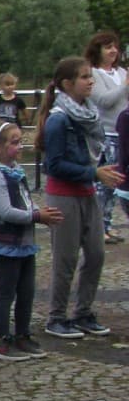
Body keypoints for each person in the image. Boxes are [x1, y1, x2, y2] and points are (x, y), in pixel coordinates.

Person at [39, 56, 125, 339]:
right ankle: (57, 316)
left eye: (91, 76)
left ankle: (83, 312)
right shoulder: (59, 119)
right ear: (67, 84)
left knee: (96, 254)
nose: (90, 81)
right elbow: (54, 165)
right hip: (64, 195)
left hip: (87, 191)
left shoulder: (90, 113)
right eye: (85, 77)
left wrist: (97, 173)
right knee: (65, 259)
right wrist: (94, 173)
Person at [0, 121, 61, 360]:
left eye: (20, 141)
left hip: (24, 242)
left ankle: (23, 334)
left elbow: (25, 201)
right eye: (15, 142)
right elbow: (6, 212)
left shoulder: (16, 171)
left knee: (26, 291)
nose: (20, 146)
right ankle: (2, 339)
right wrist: (37, 216)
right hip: (6, 244)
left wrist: (38, 211)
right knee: (7, 292)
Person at [86, 31, 126, 243]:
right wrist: (125, 85)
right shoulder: (94, 74)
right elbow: (104, 100)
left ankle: (108, 225)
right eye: (108, 47)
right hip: (106, 134)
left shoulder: (121, 72)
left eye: (115, 47)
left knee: (117, 184)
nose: (113, 51)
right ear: (98, 50)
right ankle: (99, 227)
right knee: (105, 183)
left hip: (124, 133)